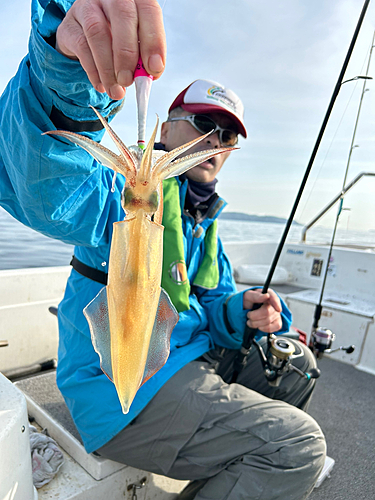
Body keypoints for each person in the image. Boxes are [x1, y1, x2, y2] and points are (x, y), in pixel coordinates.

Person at [0, 1, 326, 499]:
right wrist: (65, 71)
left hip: (182, 358)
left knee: (297, 365)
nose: (215, 142)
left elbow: (212, 304)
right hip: (121, 392)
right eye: (203, 125)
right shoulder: (116, 191)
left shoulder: (205, 221)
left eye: (229, 135)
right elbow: (46, 182)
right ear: (169, 124)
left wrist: (242, 311)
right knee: (298, 446)